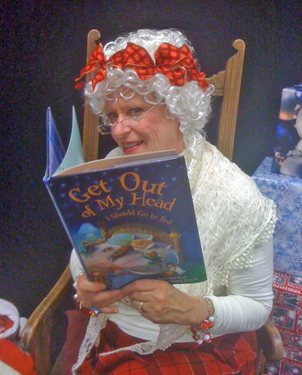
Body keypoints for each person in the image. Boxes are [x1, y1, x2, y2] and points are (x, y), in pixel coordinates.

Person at [68, 28, 276, 375]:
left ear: (177, 108)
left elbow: (258, 307)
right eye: (112, 117)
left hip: (198, 343)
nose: (119, 130)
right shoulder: (106, 172)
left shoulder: (235, 194)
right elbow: (81, 253)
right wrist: (85, 288)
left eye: (134, 111)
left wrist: (195, 309)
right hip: (115, 333)